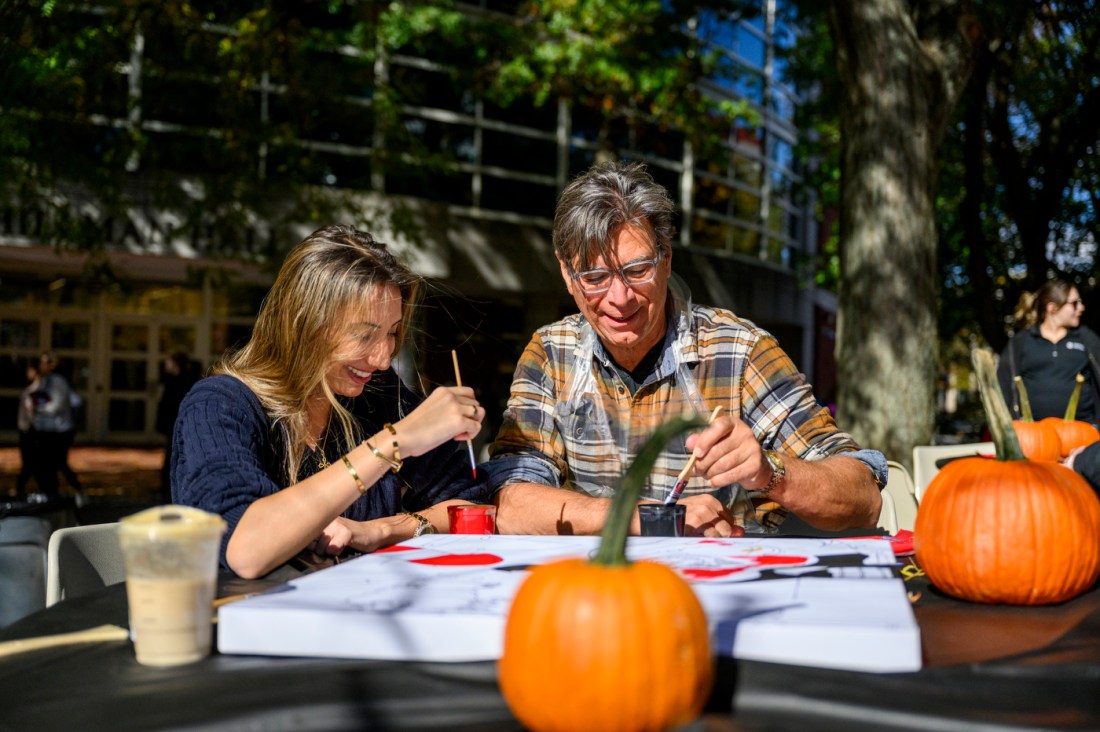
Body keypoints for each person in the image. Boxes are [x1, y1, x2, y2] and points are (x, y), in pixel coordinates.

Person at [485, 161, 886, 537]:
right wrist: (649, 518)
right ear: (567, 276)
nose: (619, 297)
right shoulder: (552, 353)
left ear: (666, 260)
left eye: (637, 270)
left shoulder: (740, 352)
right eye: (594, 276)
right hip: (594, 591)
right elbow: (511, 502)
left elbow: (862, 496)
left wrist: (770, 471)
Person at [172, 225, 492, 579]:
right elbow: (245, 550)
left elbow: (468, 507)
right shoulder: (219, 405)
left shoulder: (377, 395)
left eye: (392, 332)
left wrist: (382, 530)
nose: (383, 358)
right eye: (365, 334)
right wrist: (393, 442)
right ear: (304, 324)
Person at [997, 280, 1100, 426]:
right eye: (1075, 303)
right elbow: (1004, 385)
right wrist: (1013, 423)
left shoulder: (1087, 338)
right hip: (1033, 435)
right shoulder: (1021, 342)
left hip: (1084, 433)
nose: (1081, 308)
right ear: (1053, 308)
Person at [29, 352, 84, 501]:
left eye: (44, 362)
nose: (41, 365)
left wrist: (38, 407)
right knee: (49, 464)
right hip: (48, 430)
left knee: (58, 464)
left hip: (60, 431)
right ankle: (51, 493)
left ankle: (75, 492)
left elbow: (56, 407)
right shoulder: (46, 380)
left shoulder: (58, 381)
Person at [156, 351, 200, 502]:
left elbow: (172, 405)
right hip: (172, 424)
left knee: (175, 456)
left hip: (177, 424)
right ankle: (168, 487)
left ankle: (171, 488)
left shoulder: (183, 382)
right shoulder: (172, 380)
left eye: (168, 361)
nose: (165, 364)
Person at [15, 362, 41, 499]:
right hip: (27, 430)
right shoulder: (31, 389)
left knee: (29, 463)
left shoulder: (34, 390)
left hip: (29, 432)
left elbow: (32, 411)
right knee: (31, 464)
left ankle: (20, 488)